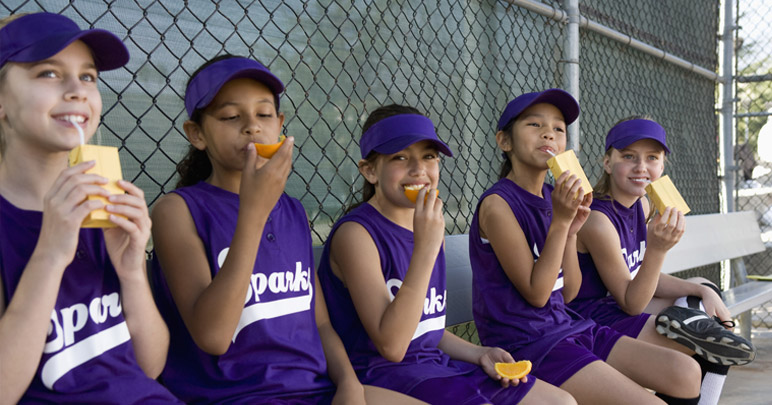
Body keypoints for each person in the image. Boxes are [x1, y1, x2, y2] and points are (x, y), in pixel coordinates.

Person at [151, 55, 420, 404]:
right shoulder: (177, 211)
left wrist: (349, 385)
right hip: (234, 395)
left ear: (279, 124)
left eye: (263, 114)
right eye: (231, 116)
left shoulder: (292, 210)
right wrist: (253, 212)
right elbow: (214, 336)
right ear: (197, 133)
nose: (251, 126)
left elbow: (320, 324)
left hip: (315, 390)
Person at [318, 104, 575, 404]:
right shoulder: (357, 235)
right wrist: (426, 249)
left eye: (428, 156)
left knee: (561, 402)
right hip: (385, 376)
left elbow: (428, 328)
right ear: (370, 170)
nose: (418, 169)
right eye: (400, 157)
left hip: (436, 368)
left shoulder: (426, 223)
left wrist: (479, 352)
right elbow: (394, 346)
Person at [469, 89, 703, 404]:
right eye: (534, 125)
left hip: (568, 326)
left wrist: (569, 230)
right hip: (526, 342)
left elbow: (569, 291)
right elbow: (538, 295)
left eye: (558, 129)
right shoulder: (499, 205)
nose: (548, 134)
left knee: (685, 372)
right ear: (504, 141)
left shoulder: (555, 196)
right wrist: (562, 224)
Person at [0, 12, 180, 403]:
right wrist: (49, 255)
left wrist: (131, 272)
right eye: (48, 73)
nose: (78, 90)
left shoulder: (99, 207)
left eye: (88, 77)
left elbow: (149, 367)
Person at [570, 117, 756, 405]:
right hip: (590, 317)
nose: (641, 167)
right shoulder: (597, 220)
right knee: (707, 342)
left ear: (662, 166)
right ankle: (693, 329)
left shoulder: (642, 203)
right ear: (608, 163)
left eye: (652, 158)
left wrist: (701, 291)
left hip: (617, 303)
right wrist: (657, 250)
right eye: (628, 156)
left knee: (702, 288)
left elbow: (640, 276)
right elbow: (631, 301)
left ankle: (692, 324)